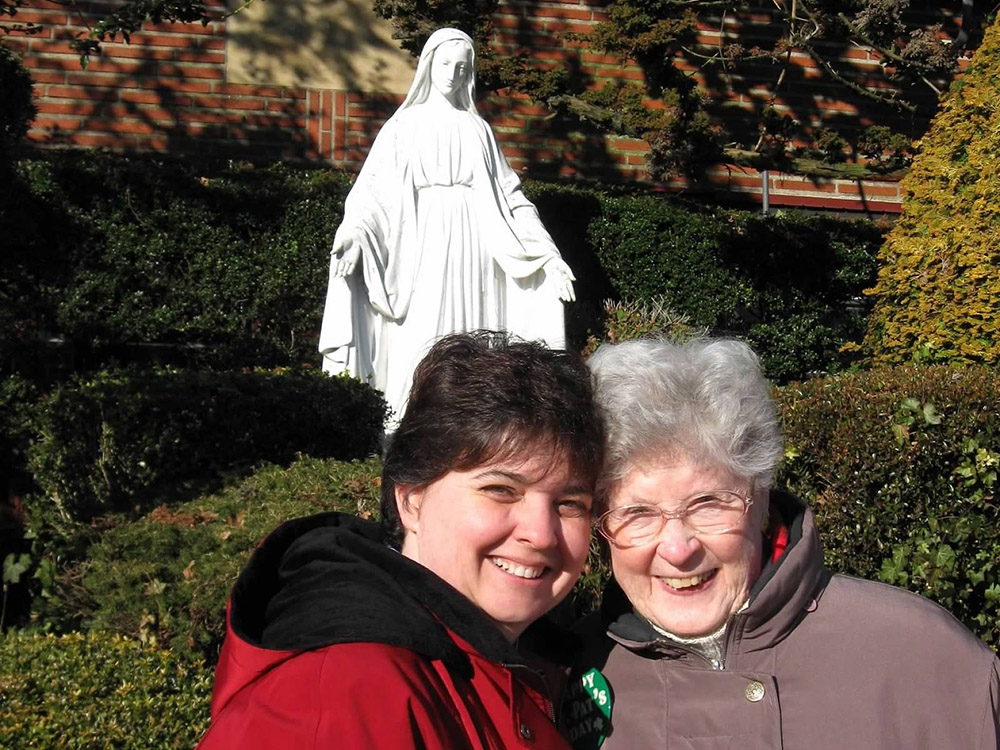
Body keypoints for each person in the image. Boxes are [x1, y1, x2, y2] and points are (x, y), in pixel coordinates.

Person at [562, 337, 1000, 750]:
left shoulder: (923, 657)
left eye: (709, 503)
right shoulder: (562, 676)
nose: (678, 549)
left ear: (761, 501)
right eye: (638, 513)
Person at [196, 331, 604, 750]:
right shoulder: (339, 695)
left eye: (570, 503)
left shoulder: (538, 660)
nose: (539, 533)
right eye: (500, 489)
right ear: (411, 500)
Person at [318, 27, 576, 424]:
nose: (452, 73)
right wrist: (354, 235)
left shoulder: (478, 130)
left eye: (462, 67)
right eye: (445, 64)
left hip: (477, 247)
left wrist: (548, 254)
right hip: (421, 246)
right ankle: (410, 423)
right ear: (428, 64)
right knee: (421, 330)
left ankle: (470, 425)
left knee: (474, 332)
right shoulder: (403, 128)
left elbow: (511, 197)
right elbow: (372, 194)